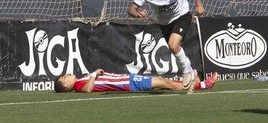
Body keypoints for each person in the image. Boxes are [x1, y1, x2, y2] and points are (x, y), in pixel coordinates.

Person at [127, 0, 205, 90]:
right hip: (165, 23)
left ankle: (187, 73)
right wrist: (137, 14)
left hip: (182, 15)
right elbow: (131, 9)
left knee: (173, 45)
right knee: (174, 47)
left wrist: (199, 5)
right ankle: (193, 73)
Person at [54, 69, 218, 94]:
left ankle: (201, 84)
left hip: (128, 80)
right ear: (66, 85)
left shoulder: (79, 79)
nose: (67, 74)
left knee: (164, 82)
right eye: (64, 77)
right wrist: (94, 74)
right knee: (164, 82)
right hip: (129, 83)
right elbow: (88, 89)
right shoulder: (77, 85)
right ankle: (200, 84)